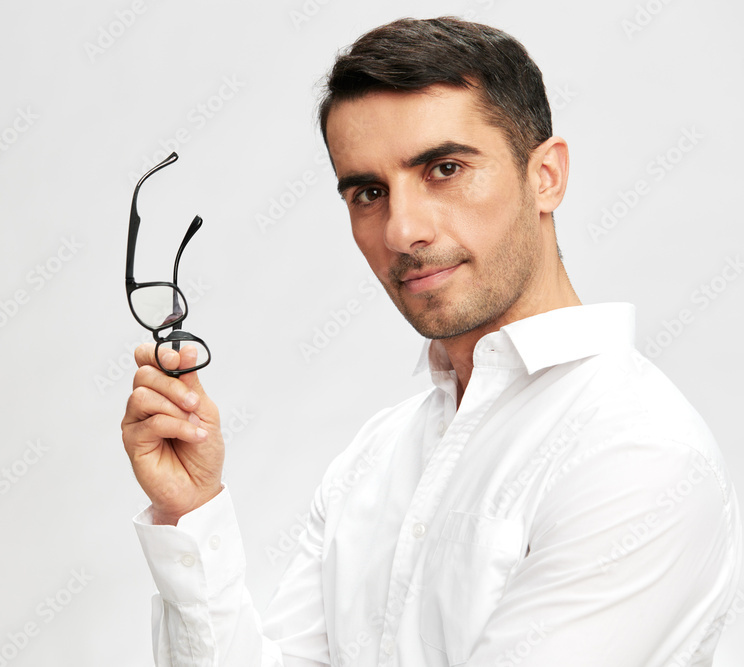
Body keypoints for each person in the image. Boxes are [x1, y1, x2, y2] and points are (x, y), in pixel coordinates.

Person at [120, 16, 742, 667]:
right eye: (368, 192)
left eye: (445, 168)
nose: (402, 229)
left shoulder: (636, 452)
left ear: (547, 176)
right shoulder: (374, 459)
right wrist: (190, 511)